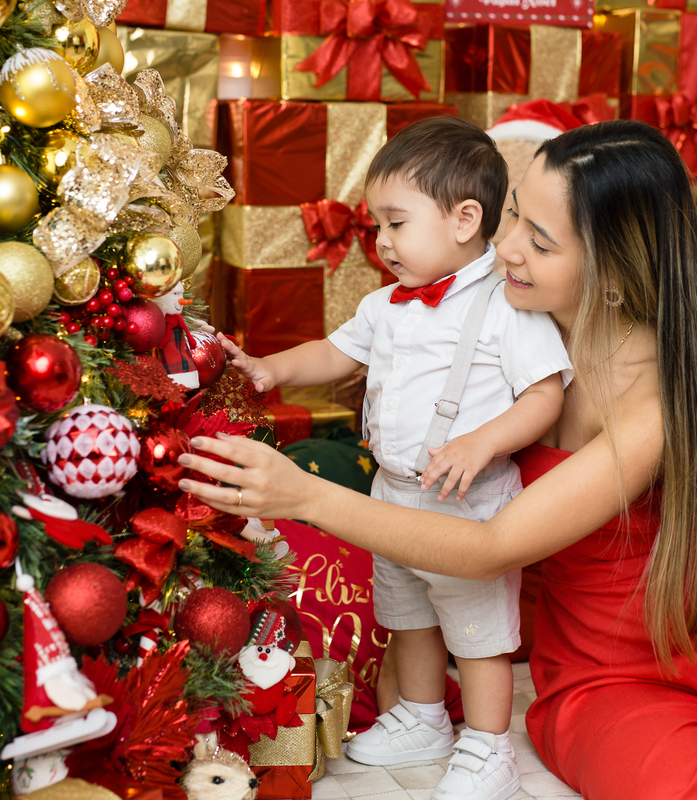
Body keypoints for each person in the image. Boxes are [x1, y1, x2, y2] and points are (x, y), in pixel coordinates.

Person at [180, 121, 697, 799]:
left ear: (611, 270)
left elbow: (495, 545)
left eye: (538, 240)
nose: (505, 252)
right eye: (510, 222)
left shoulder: (656, 396)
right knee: (676, 792)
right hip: (602, 674)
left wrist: (306, 497)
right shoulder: (497, 314)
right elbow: (376, 340)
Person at [218, 116, 572, 800]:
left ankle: (489, 745)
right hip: (393, 490)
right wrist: (269, 369)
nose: (380, 242)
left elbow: (543, 396)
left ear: (466, 218)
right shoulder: (386, 305)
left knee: (476, 633)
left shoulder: (507, 306)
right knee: (407, 616)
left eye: (396, 223)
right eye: (377, 224)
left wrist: (483, 440)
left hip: (466, 500)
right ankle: (422, 716)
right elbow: (335, 352)